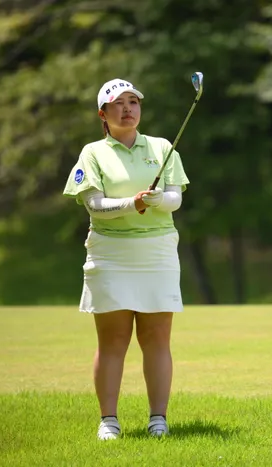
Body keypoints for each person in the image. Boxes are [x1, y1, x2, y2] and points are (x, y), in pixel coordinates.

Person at [63, 78, 190, 440]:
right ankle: (109, 421)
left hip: (157, 252)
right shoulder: (92, 153)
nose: (127, 109)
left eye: (133, 102)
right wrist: (132, 204)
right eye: (118, 103)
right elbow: (94, 206)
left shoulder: (162, 147)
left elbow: (175, 198)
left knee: (157, 339)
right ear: (103, 114)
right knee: (113, 341)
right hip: (110, 253)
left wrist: (159, 200)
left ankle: (158, 419)